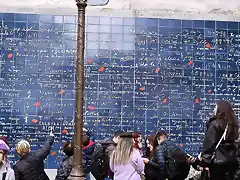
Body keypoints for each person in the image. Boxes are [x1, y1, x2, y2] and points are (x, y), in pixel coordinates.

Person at [200, 100, 239, 180]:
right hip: (232, 161)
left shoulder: (215, 124)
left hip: (217, 163)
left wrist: (205, 163)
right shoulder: (233, 125)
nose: (214, 109)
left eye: (215, 107)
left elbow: (209, 144)